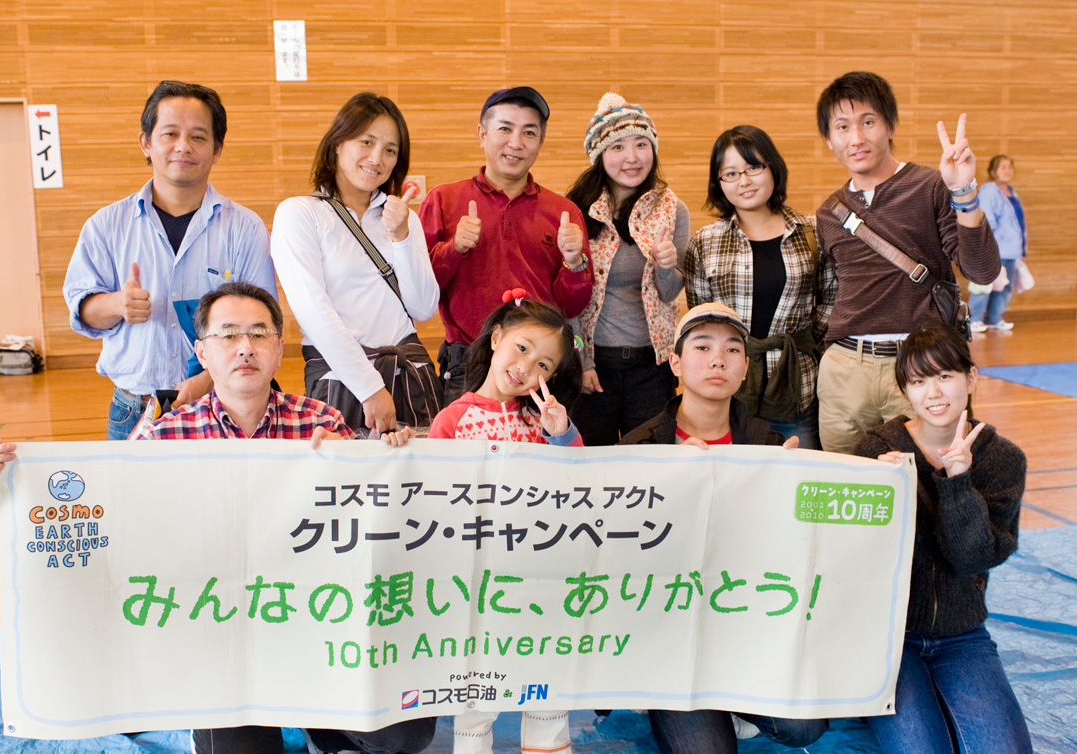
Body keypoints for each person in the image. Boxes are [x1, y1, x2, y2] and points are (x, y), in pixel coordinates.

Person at [0, 282, 428, 754]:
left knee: (405, 734)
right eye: (228, 335)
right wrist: (15, 487)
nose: (245, 347)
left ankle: (322, 725)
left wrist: (375, 459)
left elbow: (376, 520)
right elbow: (104, 517)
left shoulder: (321, 423)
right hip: (217, 644)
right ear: (202, 353)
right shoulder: (164, 437)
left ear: (278, 351)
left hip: (313, 630)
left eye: (259, 334)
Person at [620, 303, 819, 754]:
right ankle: (660, 697)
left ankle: (734, 701)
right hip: (670, 638)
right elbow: (619, 555)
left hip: (741, 626)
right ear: (675, 363)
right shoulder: (642, 446)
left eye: (732, 350)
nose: (718, 360)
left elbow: (792, 549)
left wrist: (793, 494)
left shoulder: (768, 444)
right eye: (702, 347)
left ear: (745, 368)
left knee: (804, 728)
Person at [63, 80, 277, 441]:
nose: (183, 146)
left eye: (198, 136)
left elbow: (262, 326)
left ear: (217, 149)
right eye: (170, 134)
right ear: (146, 142)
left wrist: (206, 380)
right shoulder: (106, 225)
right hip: (134, 408)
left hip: (221, 406)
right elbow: (81, 311)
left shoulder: (245, 228)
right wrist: (118, 304)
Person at [853, 323, 1031, 754]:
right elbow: (853, 557)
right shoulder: (877, 449)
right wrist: (878, 488)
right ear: (905, 390)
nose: (933, 393)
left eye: (944, 376)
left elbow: (973, 558)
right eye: (918, 381)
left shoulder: (1003, 459)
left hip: (962, 634)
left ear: (971, 378)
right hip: (891, 637)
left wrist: (957, 481)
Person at [814, 71, 1000, 454]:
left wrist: (964, 192)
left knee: (927, 481)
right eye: (843, 127)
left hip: (921, 368)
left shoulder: (931, 186)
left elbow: (982, 271)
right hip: (845, 370)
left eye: (868, 122)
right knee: (843, 481)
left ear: (890, 125)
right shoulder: (829, 213)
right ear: (829, 139)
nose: (856, 138)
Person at [428, 295, 581, 754]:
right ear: (496, 338)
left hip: (539, 575)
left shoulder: (543, 422)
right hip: (477, 580)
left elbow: (576, 485)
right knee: (478, 683)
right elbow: (435, 500)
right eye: (522, 348)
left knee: (545, 677)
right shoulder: (453, 419)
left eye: (543, 366)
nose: (526, 368)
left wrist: (561, 432)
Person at [271, 92, 441, 434]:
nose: (376, 158)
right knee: (344, 469)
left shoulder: (403, 217)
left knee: (423, 470)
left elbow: (423, 308)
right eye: (366, 142)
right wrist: (369, 388)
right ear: (337, 143)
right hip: (341, 379)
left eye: (390, 150)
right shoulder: (299, 213)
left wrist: (402, 235)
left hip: (413, 374)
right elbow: (312, 310)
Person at [419, 86, 592, 403]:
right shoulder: (443, 200)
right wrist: (454, 249)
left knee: (543, 438)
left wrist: (574, 263)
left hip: (537, 369)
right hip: (467, 361)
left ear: (540, 142)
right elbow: (419, 292)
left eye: (529, 132)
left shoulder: (563, 213)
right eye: (505, 129)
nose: (516, 143)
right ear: (482, 134)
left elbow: (571, 307)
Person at [683, 125, 830, 449]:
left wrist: (806, 348)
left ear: (773, 168)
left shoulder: (812, 232)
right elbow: (701, 321)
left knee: (796, 475)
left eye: (753, 168)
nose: (744, 181)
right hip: (728, 392)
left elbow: (829, 303)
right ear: (719, 183)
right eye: (731, 174)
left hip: (797, 388)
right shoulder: (705, 242)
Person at [564, 92, 688, 446]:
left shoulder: (672, 208)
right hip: (594, 363)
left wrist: (665, 266)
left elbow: (669, 292)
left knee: (651, 461)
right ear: (599, 155)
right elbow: (568, 300)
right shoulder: (576, 209)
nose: (632, 158)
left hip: (653, 366)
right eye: (617, 147)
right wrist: (581, 362)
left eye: (641, 144)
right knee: (591, 463)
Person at [969, 155, 1027, 333]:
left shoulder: (1011, 192)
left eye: (1010, 167)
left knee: (1004, 286)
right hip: (994, 250)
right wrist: (987, 248)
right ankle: (974, 319)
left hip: (1011, 250)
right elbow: (987, 221)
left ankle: (994, 318)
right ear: (993, 172)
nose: (1008, 170)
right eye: (1003, 167)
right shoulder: (989, 192)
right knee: (984, 285)